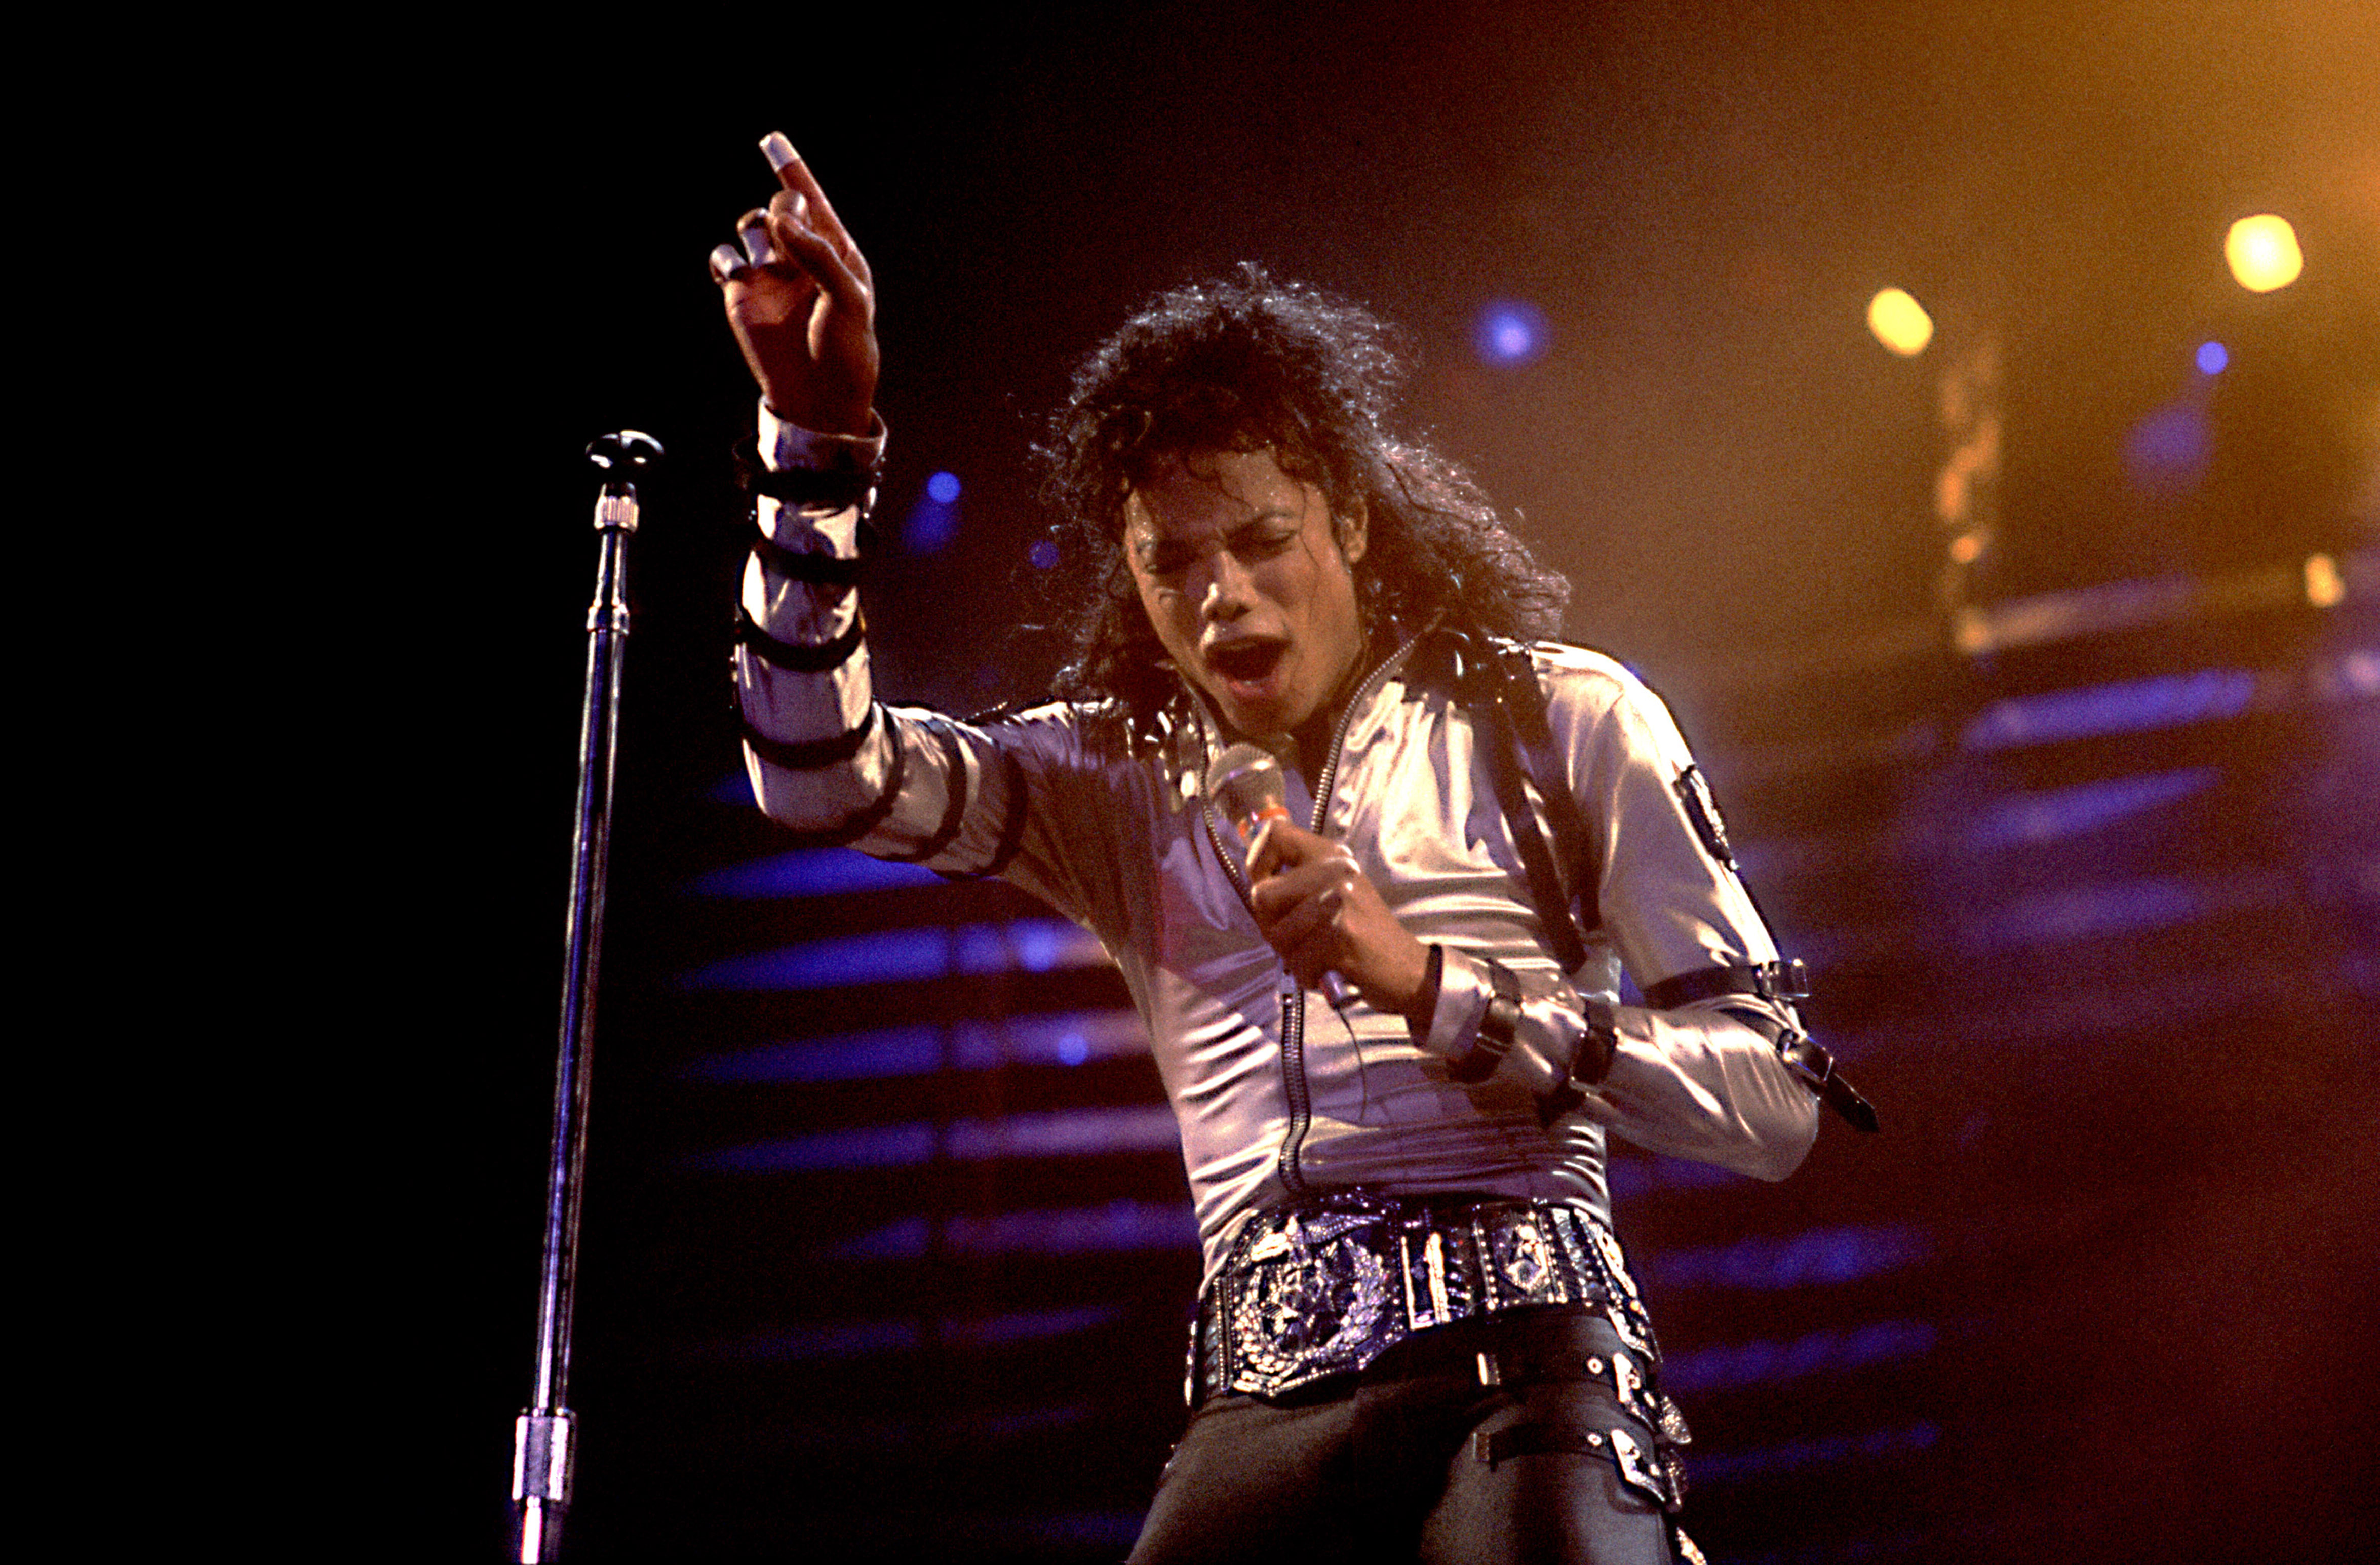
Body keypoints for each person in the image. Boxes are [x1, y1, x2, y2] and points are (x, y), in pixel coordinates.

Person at [711, 131, 1858, 1564]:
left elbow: (1772, 1104)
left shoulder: (1562, 717)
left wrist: (1431, 984)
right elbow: (819, 777)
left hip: (1530, 1363)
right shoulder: (1107, 777)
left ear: (1353, 524)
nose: (1223, 596)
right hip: (1257, 1402)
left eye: (1261, 540)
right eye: (1171, 560)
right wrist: (817, 454)